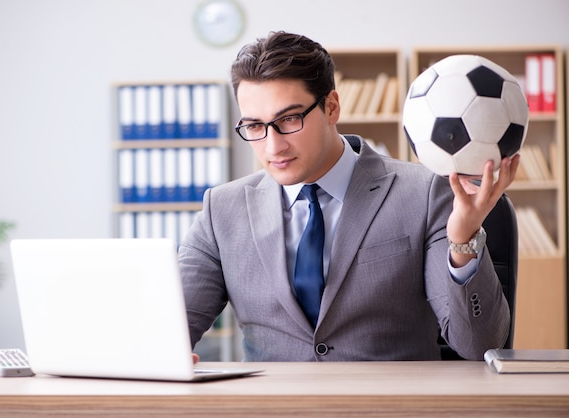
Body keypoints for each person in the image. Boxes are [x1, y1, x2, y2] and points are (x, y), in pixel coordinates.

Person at [179, 31, 516, 362]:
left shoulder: (424, 193)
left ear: (331, 107)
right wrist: (162, 353)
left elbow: (479, 345)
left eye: (290, 119)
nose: (273, 146)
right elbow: (167, 330)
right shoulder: (221, 211)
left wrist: (463, 241)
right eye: (254, 126)